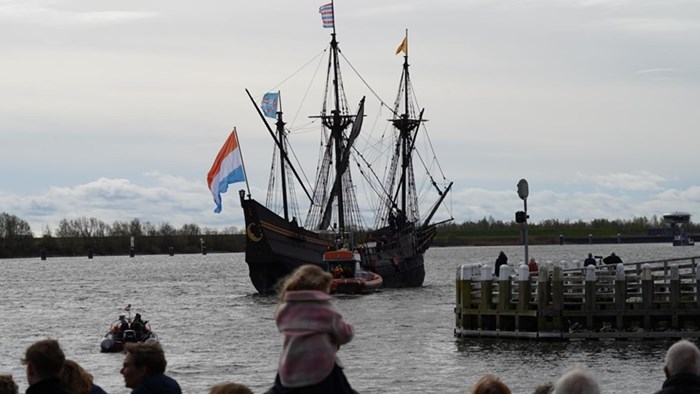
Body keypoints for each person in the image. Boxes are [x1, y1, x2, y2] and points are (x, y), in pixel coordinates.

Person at [267, 264, 356, 394]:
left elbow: (282, 326)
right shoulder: (325, 309)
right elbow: (344, 335)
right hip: (321, 368)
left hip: (290, 366)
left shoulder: (284, 309)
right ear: (321, 287)